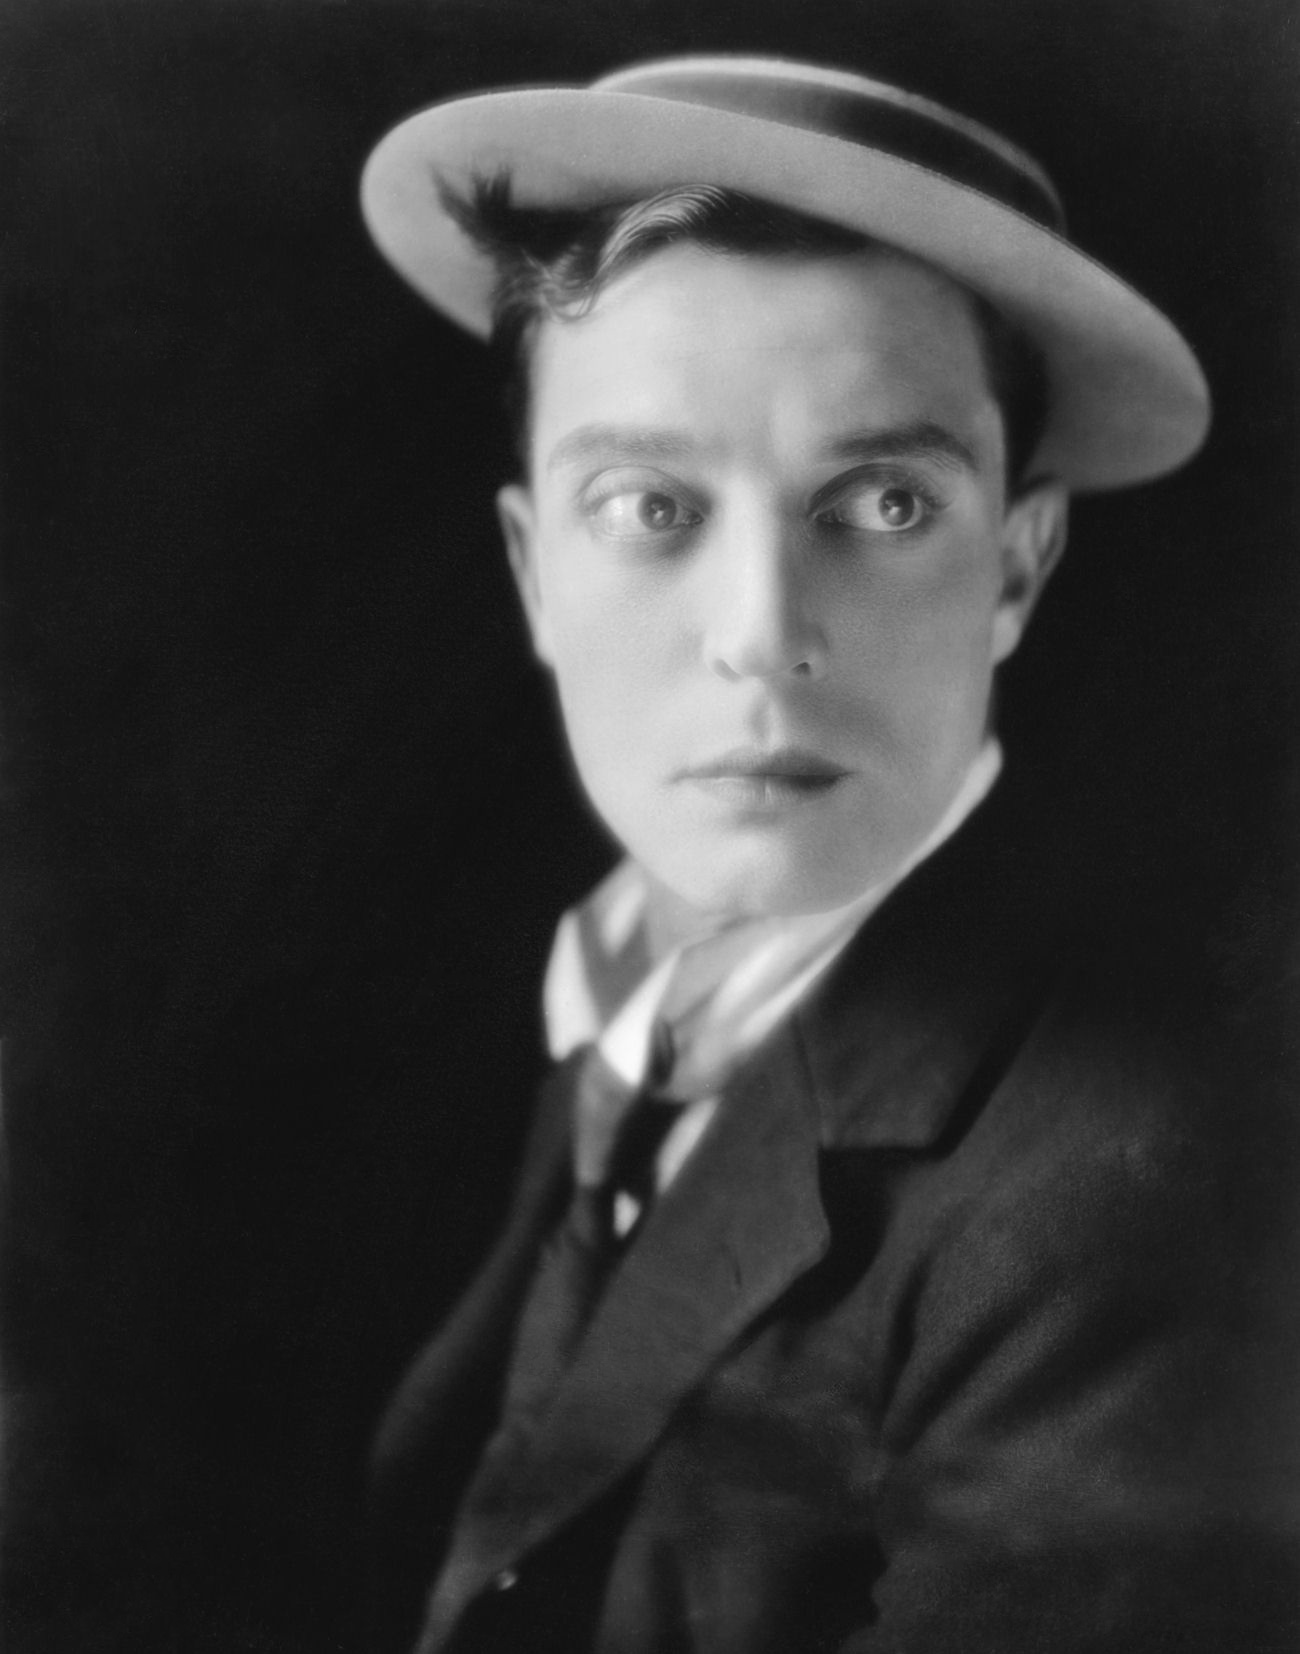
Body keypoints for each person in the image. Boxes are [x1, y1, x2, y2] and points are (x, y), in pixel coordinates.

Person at [357, 55, 1295, 1654]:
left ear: (1017, 567)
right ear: (533, 572)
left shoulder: (1119, 1208)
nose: (761, 633)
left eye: (882, 503)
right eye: (649, 505)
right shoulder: (638, 998)